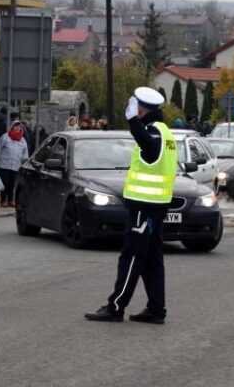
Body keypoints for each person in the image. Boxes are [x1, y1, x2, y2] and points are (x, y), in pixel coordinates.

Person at [85, 87, 177, 324]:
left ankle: (115, 307)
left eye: (136, 106)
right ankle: (156, 309)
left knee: (133, 256)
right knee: (152, 259)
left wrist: (132, 121)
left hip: (145, 207)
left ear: (142, 109)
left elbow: (147, 145)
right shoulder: (165, 131)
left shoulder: (153, 133)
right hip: (157, 205)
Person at [0, 120, 29, 207]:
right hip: (4, 164)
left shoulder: (22, 140)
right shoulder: (5, 137)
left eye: (19, 127)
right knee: (5, 183)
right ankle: (3, 200)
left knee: (12, 184)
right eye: (16, 126)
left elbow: (25, 152)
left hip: (15, 165)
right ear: (12, 127)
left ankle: (11, 200)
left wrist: (24, 161)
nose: (17, 128)